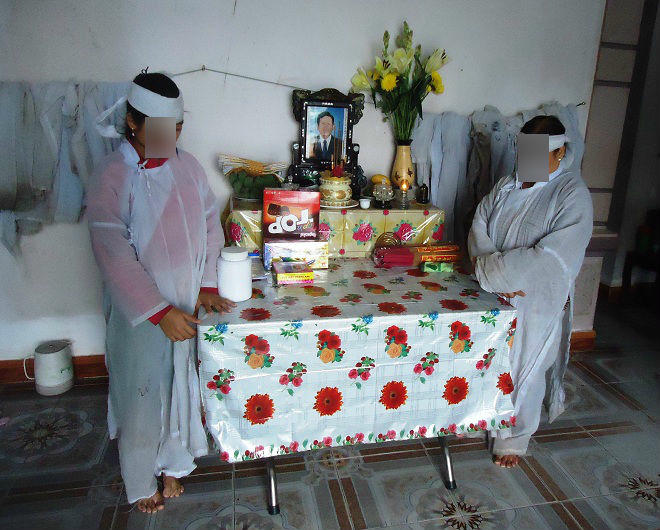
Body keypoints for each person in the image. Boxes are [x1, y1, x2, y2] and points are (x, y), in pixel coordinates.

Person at [87, 72, 235, 513]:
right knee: (142, 392)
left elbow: (210, 225)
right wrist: (158, 311)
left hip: (186, 302)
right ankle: (139, 479)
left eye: (177, 128)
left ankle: (174, 462)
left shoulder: (188, 167)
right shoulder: (112, 176)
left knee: (181, 386)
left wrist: (206, 285)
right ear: (133, 122)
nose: (171, 137)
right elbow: (113, 253)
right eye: (160, 128)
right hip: (141, 312)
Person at [468, 115, 593, 468]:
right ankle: (480, 417)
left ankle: (513, 438)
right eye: (525, 154)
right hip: (491, 289)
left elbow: (552, 257)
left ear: (560, 152)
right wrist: (488, 271)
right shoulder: (507, 185)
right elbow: (480, 224)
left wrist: (503, 276)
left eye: (537, 155)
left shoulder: (572, 194)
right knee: (487, 359)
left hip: (533, 298)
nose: (528, 163)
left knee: (526, 366)